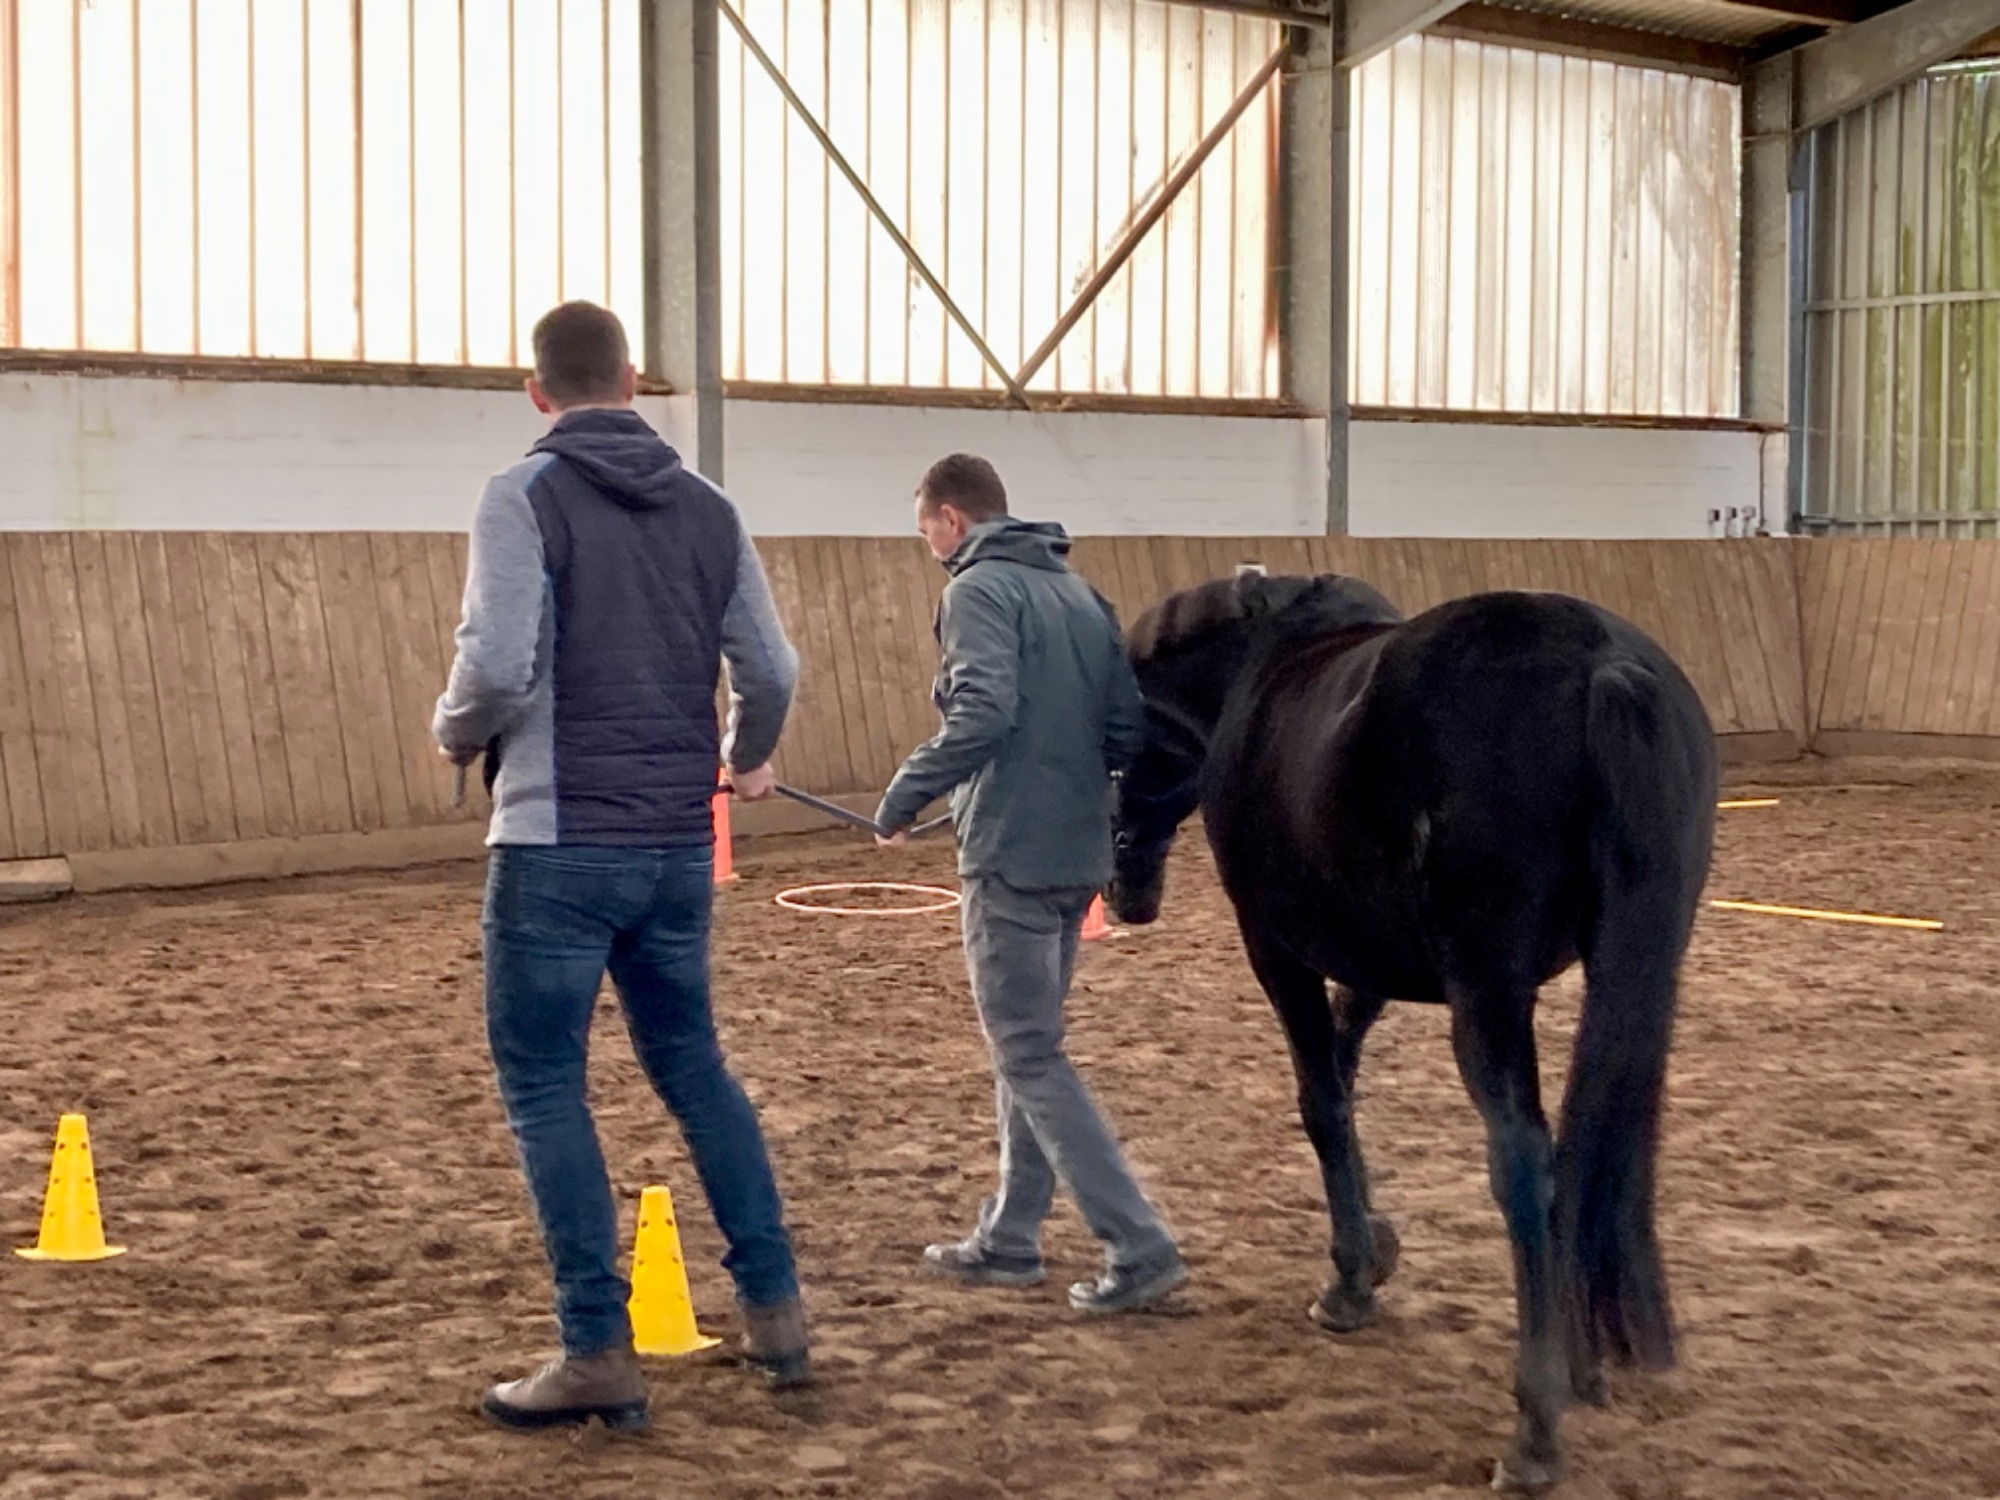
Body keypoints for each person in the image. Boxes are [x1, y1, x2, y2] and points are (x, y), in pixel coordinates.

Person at [433, 300, 809, 1432]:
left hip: (557, 839)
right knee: (695, 1068)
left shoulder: (522, 495)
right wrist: (745, 756)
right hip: (675, 844)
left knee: (545, 1084)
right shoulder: (710, 508)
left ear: (537, 390)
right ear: (634, 381)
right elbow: (772, 667)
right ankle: (776, 1314)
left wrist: (455, 734)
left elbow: (496, 665)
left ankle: (596, 1348)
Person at [875, 454, 1187, 1314]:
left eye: (927, 532)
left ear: (951, 519)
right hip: (1075, 853)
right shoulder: (1081, 596)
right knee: (1031, 1044)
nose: (930, 547)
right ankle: (1012, 1236)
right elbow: (1124, 727)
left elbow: (982, 711)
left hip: (1009, 851)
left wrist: (906, 793)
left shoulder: (977, 591)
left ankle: (1138, 1243)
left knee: (1028, 1051)